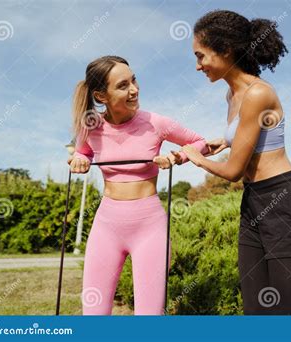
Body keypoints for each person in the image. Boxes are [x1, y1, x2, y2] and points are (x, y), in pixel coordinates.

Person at [181, 10, 291, 315]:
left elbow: (232, 171)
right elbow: (253, 135)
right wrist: (226, 140)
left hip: (284, 201)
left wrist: (196, 158)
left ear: (225, 50)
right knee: (256, 309)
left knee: (289, 312)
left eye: (201, 56)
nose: (197, 65)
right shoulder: (232, 95)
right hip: (254, 201)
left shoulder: (258, 93)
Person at [68, 55, 208, 315]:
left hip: (149, 227)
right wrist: (79, 159)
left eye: (134, 80)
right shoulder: (90, 126)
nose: (134, 89)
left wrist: (177, 156)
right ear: (101, 96)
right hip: (107, 226)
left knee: (149, 317)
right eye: (123, 85)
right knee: (94, 314)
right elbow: (82, 152)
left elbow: (200, 142)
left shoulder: (156, 123)